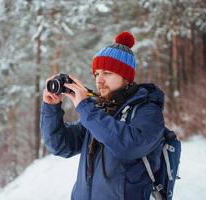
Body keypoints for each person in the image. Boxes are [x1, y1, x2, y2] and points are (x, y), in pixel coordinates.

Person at [41, 32, 165, 200]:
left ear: (126, 77)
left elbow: (130, 146)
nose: (99, 80)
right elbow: (61, 146)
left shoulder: (148, 110)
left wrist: (86, 108)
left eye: (107, 73)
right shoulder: (100, 112)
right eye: (97, 74)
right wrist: (51, 108)